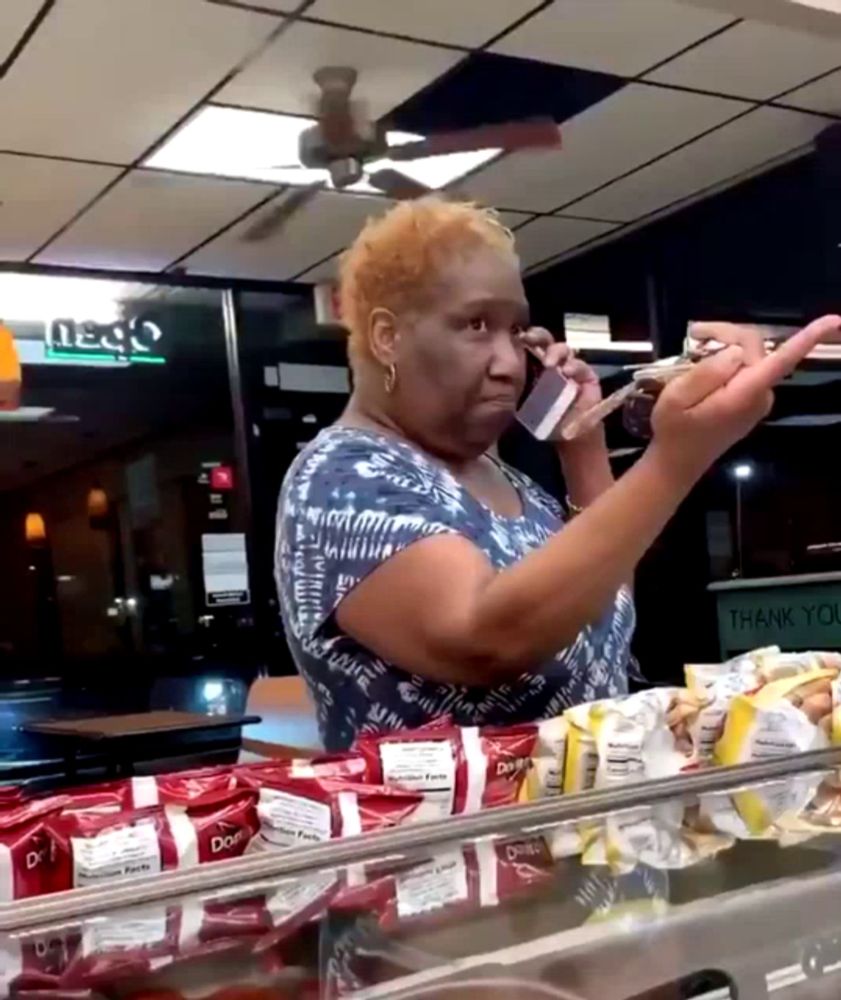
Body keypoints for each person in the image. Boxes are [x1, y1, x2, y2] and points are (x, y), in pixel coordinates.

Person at [275, 196, 839, 751]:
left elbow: (601, 599)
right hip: (449, 842)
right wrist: (676, 459)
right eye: (476, 325)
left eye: (515, 332)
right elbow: (486, 638)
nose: (508, 362)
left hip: (595, 834)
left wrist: (583, 447)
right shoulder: (342, 478)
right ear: (387, 337)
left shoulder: (509, 482)